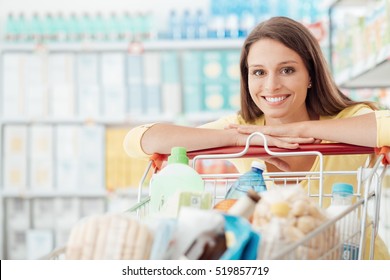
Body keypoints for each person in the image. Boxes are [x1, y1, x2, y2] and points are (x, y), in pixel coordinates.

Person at [124, 16, 389, 258]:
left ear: (310, 74)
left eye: (287, 70)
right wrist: (241, 141)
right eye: (259, 72)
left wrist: (300, 130)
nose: (271, 85)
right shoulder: (243, 129)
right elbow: (140, 141)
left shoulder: (348, 120)